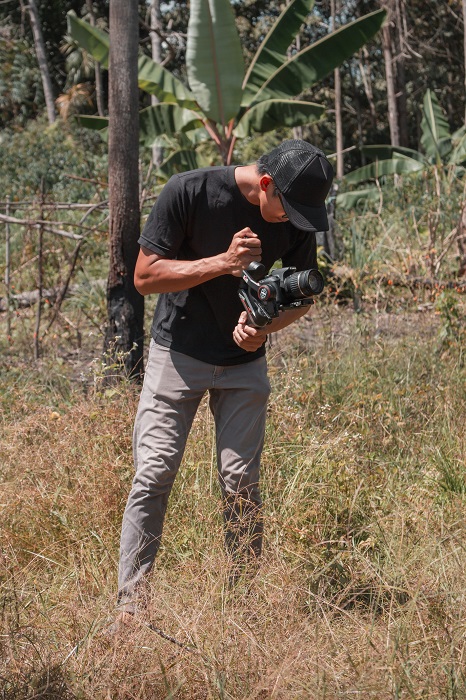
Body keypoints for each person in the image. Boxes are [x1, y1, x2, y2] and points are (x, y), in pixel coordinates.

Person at [116, 139, 334, 616]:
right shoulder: (188, 191)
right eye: (290, 210)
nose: (294, 222)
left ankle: (243, 609)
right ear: (266, 184)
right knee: (153, 475)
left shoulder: (292, 217)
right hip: (178, 353)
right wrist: (221, 263)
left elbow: (303, 296)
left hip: (244, 365)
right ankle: (130, 612)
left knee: (240, 484)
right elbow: (145, 277)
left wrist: (262, 330)